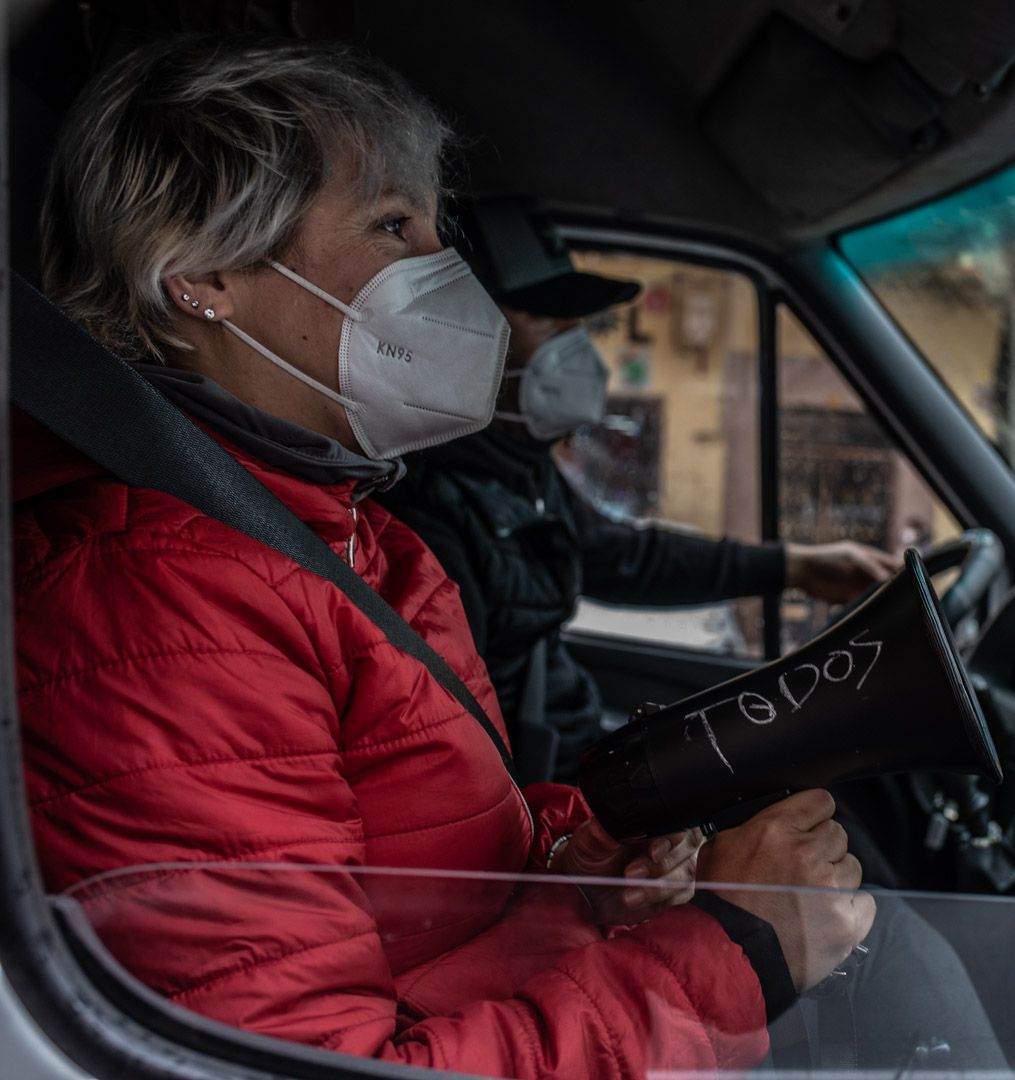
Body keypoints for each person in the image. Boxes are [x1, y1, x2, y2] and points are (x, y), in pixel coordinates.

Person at [16, 35, 875, 1076]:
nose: (442, 270)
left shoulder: (347, 530)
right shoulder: (159, 606)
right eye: (392, 225)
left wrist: (584, 852)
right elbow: (302, 1062)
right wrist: (738, 956)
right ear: (203, 274)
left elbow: (420, 884)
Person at [379, 199, 900, 783]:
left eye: (579, 327)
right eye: (551, 324)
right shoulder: (420, 512)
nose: (578, 349)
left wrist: (794, 566)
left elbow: (617, 557)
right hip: (534, 789)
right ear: (451, 339)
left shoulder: (511, 461)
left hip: (571, 752)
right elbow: (450, 752)